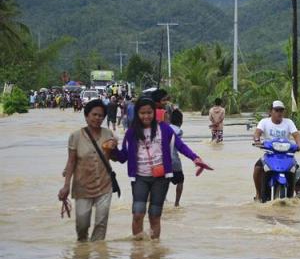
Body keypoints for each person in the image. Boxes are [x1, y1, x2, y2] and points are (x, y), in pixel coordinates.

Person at [115, 98, 206, 239]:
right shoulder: (131, 132)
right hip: (139, 178)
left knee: (155, 216)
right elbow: (123, 157)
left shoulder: (163, 128)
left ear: (154, 112)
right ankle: (138, 251)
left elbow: (180, 146)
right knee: (138, 214)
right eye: (142, 113)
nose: (146, 116)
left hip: (161, 178)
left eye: (149, 112)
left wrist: (195, 158)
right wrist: (110, 151)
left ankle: (154, 252)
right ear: (137, 114)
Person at [58, 99, 118, 242]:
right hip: (82, 186)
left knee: (101, 223)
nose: (98, 118)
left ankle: (99, 255)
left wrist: (114, 147)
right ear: (86, 116)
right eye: (94, 115)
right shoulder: (75, 136)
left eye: (101, 116)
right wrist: (66, 186)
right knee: (82, 224)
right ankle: (83, 251)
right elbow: (71, 162)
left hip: (104, 185)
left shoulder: (108, 134)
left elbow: (114, 158)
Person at [252, 100, 300, 200]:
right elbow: (257, 133)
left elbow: (296, 135)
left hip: (287, 154)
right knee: (258, 168)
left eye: (281, 110)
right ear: (270, 111)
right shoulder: (264, 122)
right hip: (270, 154)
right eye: (276, 110)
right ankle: (258, 193)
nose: (279, 113)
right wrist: (257, 141)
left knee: (295, 168)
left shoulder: (288, 122)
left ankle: (299, 191)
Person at [169, 109, 185, 207]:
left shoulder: (165, 128)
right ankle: (177, 203)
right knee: (180, 180)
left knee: (161, 182)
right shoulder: (179, 131)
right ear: (181, 121)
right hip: (174, 160)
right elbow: (180, 146)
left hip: (161, 161)